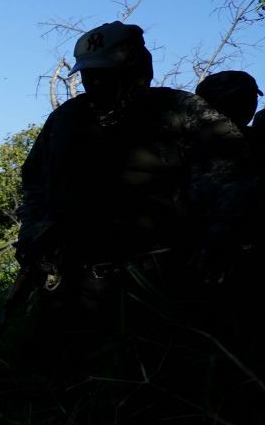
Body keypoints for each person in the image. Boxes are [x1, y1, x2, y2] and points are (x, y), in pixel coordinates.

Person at [17, 23, 251, 335]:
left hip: (158, 281)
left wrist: (218, 239)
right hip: (72, 281)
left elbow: (236, 176)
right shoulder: (66, 119)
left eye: (106, 72)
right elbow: (34, 183)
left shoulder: (180, 111)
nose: (94, 81)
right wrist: (34, 234)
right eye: (88, 73)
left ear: (135, 69)